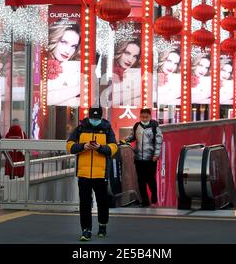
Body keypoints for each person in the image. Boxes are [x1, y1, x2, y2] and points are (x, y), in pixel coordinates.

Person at [66, 107, 118, 242]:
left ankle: (102, 224)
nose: (94, 120)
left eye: (97, 118)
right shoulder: (80, 128)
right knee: (84, 203)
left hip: (101, 174)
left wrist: (100, 148)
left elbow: (113, 148)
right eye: (93, 118)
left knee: (102, 202)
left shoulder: (107, 129)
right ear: (88, 116)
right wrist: (83, 146)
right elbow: (70, 146)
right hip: (83, 173)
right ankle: (86, 230)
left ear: (101, 118)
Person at [123, 108, 163, 207]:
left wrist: (156, 155)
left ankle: (154, 194)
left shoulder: (155, 127)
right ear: (140, 116)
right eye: (142, 117)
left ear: (150, 116)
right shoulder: (137, 126)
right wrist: (126, 139)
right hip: (138, 158)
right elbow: (132, 137)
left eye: (146, 117)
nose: (144, 119)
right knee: (141, 181)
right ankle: (145, 201)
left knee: (150, 179)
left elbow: (158, 142)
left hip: (150, 158)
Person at [47, 22, 81, 106]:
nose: (68, 51)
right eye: (64, 42)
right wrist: (80, 88)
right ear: (53, 38)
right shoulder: (38, 60)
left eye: (73, 46)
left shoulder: (75, 67)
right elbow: (42, 98)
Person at [112, 40, 141, 106]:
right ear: (119, 51)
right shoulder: (108, 68)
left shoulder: (136, 73)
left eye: (135, 56)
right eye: (127, 53)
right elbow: (107, 100)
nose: (130, 60)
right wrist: (138, 91)